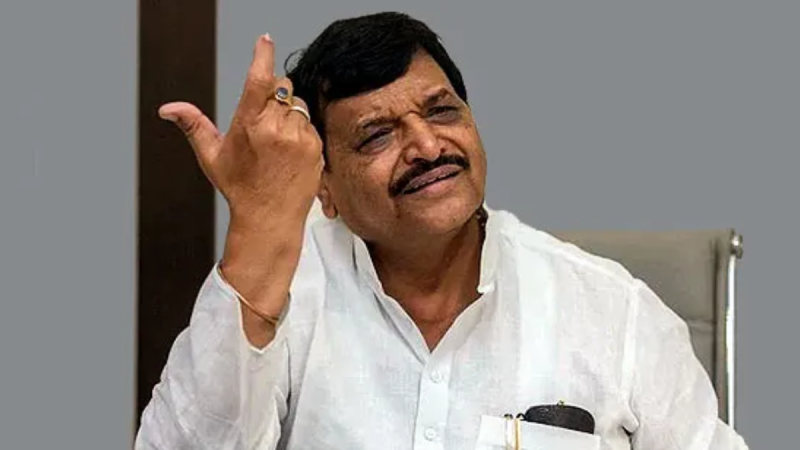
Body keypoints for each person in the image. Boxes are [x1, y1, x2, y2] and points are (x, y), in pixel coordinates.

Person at [136, 11, 748, 450]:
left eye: (441, 111)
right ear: (325, 186)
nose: (427, 146)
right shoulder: (282, 297)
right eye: (377, 136)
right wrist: (258, 228)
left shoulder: (614, 312)